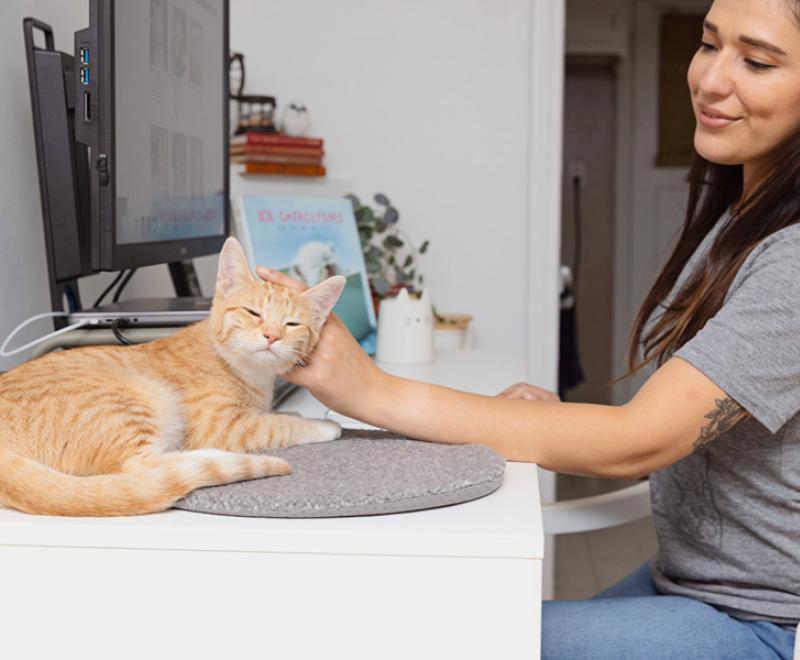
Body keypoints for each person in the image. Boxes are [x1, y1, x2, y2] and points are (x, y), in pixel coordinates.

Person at [258, 0, 800, 656]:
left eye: (759, 61)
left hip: (759, 622)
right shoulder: (746, 214)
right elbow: (689, 432)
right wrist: (567, 424)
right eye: (709, 43)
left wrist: (370, 390)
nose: (711, 79)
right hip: (688, 584)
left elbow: (639, 441)